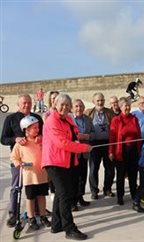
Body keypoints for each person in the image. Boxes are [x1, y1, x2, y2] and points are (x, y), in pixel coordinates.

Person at [42, 93, 91, 240]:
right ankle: (69, 228)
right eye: (62, 104)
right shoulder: (52, 121)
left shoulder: (68, 119)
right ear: (55, 106)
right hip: (54, 162)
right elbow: (62, 143)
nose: (64, 107)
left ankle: (56, 224)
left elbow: (74, 135)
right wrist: (83, 148)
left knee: (62, 193)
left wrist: (81, 140)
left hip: (67, 161)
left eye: (67, 105)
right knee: (65, 194)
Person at [0, 94, 44, 227]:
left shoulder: (37, 118)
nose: (27, 105)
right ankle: (14, 215)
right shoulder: (10, 118)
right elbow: (3, 139)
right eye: (24, 103)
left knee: (36, 187)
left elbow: (43, 133)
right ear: (18, 105)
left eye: (29, 103)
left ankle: (38, 212)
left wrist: (40, 136)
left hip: (35, 159)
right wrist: (15, 139)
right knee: (16, 187)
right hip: (19, 159)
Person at [10, 116, 51, 230]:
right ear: (26, 130)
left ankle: (43, 216)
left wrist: (42, 139)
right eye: (34, 128)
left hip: (42, 175)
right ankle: (31, 217)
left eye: (38, 127)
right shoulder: (21, 144)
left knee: (42, 196)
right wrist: (19, 164)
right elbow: (14, 157)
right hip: (29, 176)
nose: (37, 129)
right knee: (30, 198)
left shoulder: (40, 141)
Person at [109, 97, 142, 205]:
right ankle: (120, 196)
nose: (127, 107)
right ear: (120, 107)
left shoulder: (134, 119)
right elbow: (112, 137)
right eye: (125, 105)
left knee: (133, 174)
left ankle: (134, 194)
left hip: (133, 150)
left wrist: (140, 150)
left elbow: (139, 135)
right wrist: (111, 152)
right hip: (121, 151)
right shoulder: (116, 120)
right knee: (120, 175)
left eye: (128, 105)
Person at [85, 92, 115, 200]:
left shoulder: (109, 112)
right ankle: (94, 191)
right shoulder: (88, 112)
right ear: (94, 101)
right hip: (94, 144)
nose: (100, 102)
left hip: (107, 143)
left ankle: (107, 188)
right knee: (93, 168)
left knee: (110, 168)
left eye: (102, 100)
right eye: (98, 100)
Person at [71, 99, 95, 211]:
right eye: (76, 106)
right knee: (73, 178)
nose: (79, 109)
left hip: (84, 153)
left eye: (81, 106)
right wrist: (79, 137)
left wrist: (88, 137)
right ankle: (73, 202)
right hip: (73, 154)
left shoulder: (88, 120)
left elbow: (94, 133)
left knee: (82, 177)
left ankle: (80, 197)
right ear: (72, 108)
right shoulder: (69, 120)